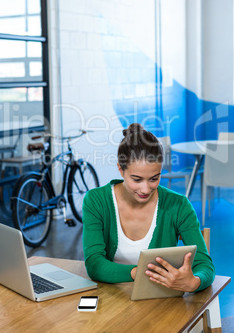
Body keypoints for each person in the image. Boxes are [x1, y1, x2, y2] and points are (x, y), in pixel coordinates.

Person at [82, 123, 215, 292]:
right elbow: (94, 264)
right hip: (112, 300)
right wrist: (138, 272)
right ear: (120, 169)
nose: (146, 190)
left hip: (161, 302)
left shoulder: (178, 205)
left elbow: (205, 265)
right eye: (137, 179)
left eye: (154, 179)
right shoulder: (96, 201)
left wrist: (194, 282)